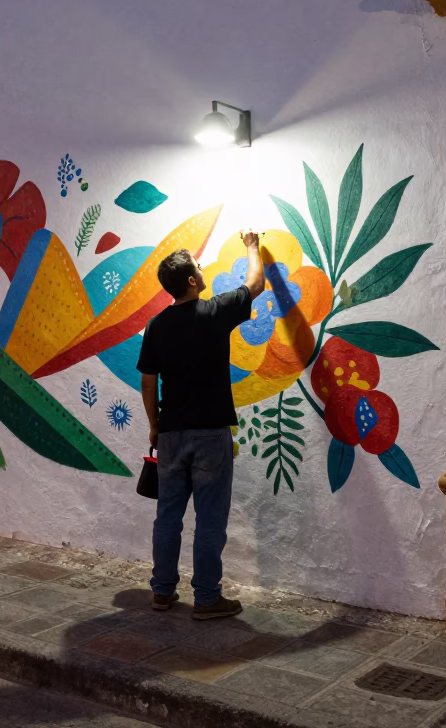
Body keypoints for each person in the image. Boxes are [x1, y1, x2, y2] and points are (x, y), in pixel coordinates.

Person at [137, 230, 265, 620]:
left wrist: (155, 424)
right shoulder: (215, 311)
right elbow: (255, 283)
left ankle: (162, 592)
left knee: (168, 516)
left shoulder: (156, 325)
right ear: (192, 280)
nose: (202, 267)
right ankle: (207, 599)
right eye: (198, 265)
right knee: (210, 519)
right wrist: (252, 246)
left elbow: (147, 380)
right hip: (210, 433)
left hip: (172, 432)